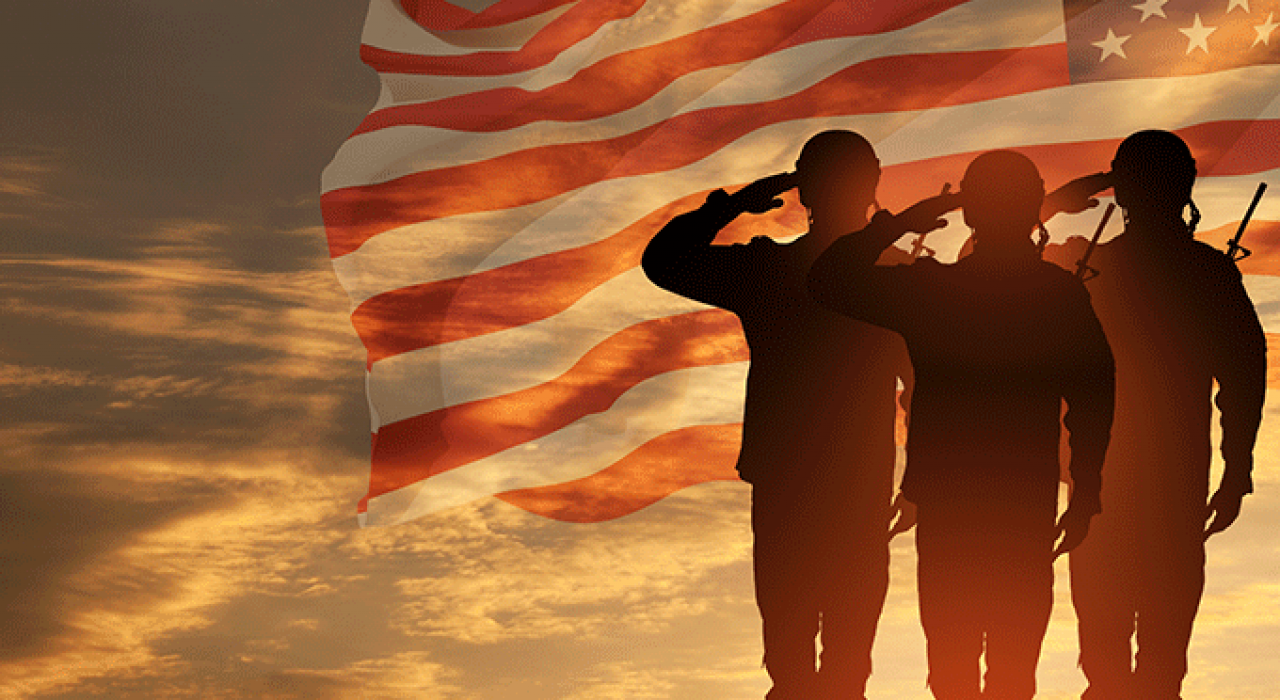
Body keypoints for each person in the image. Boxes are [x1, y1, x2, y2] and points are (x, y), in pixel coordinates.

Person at [808, 150, 1115, 700]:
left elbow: (830, 278)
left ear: (970, 213)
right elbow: (1095, 392)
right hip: (1022, 502)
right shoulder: (1058, 295)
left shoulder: (933, 292)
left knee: (952, 670)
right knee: (1012, 673)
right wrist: (1086, 488)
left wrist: (909, 219)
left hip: (952, 504)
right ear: (1032, 212)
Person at [641, 130, 911, 700]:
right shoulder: (891, 275)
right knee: (834, 657)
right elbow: (923, 384)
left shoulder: (772, 271)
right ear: (873, 184)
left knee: (805, 658)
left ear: (802, 189)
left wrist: (735, 204)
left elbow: (664, 260)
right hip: (842, 479)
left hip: (805, 477)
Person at [1050, 130, 1268, 700]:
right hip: (1157, 483)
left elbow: (998, 246)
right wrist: (1235, 471)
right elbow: (1243, 381)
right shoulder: (1208, 275)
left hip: (1101, 484)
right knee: (1158, 663)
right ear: (1185, 186)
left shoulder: (1087, 271)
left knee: (1110, 659)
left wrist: (1062, 200)